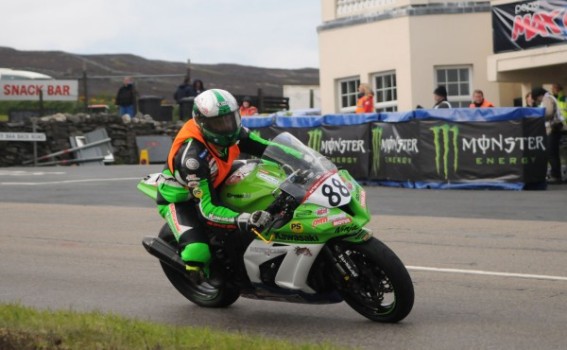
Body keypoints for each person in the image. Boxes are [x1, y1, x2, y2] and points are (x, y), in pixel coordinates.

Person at [156, 88, 274, 282]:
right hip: (183, 198)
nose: (228, 127)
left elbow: (269, 149)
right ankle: (197, 272)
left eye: (231, 119)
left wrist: (305, 158)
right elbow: (207, 210)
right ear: (202, 124)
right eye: (219, 123)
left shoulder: (236, 133)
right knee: (197, 252)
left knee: (264, 176)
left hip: (215, 178)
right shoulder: (192, 158)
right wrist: (244, 218)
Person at [532, 87, 564, 183]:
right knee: (553, 153)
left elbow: (549, 112)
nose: (538, 101)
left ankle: (556, 175)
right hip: (556, 128)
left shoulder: (547, 98)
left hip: (553, 128)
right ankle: (556, 174)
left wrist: (539, 116)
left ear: (539, 96)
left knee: (551, 153)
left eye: (537, 99)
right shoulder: (550, 97)